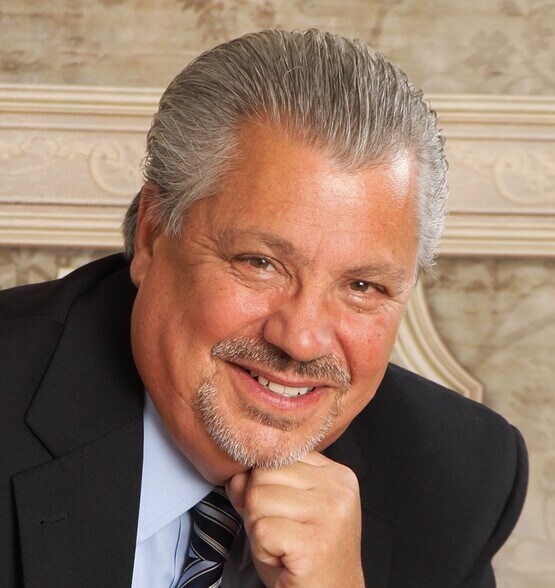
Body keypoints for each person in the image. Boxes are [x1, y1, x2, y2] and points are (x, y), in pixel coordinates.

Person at [0, 29, 527, 588]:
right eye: (260, 263)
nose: (301, 339)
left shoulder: (457, 479)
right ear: (153, 235)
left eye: (363, 286)